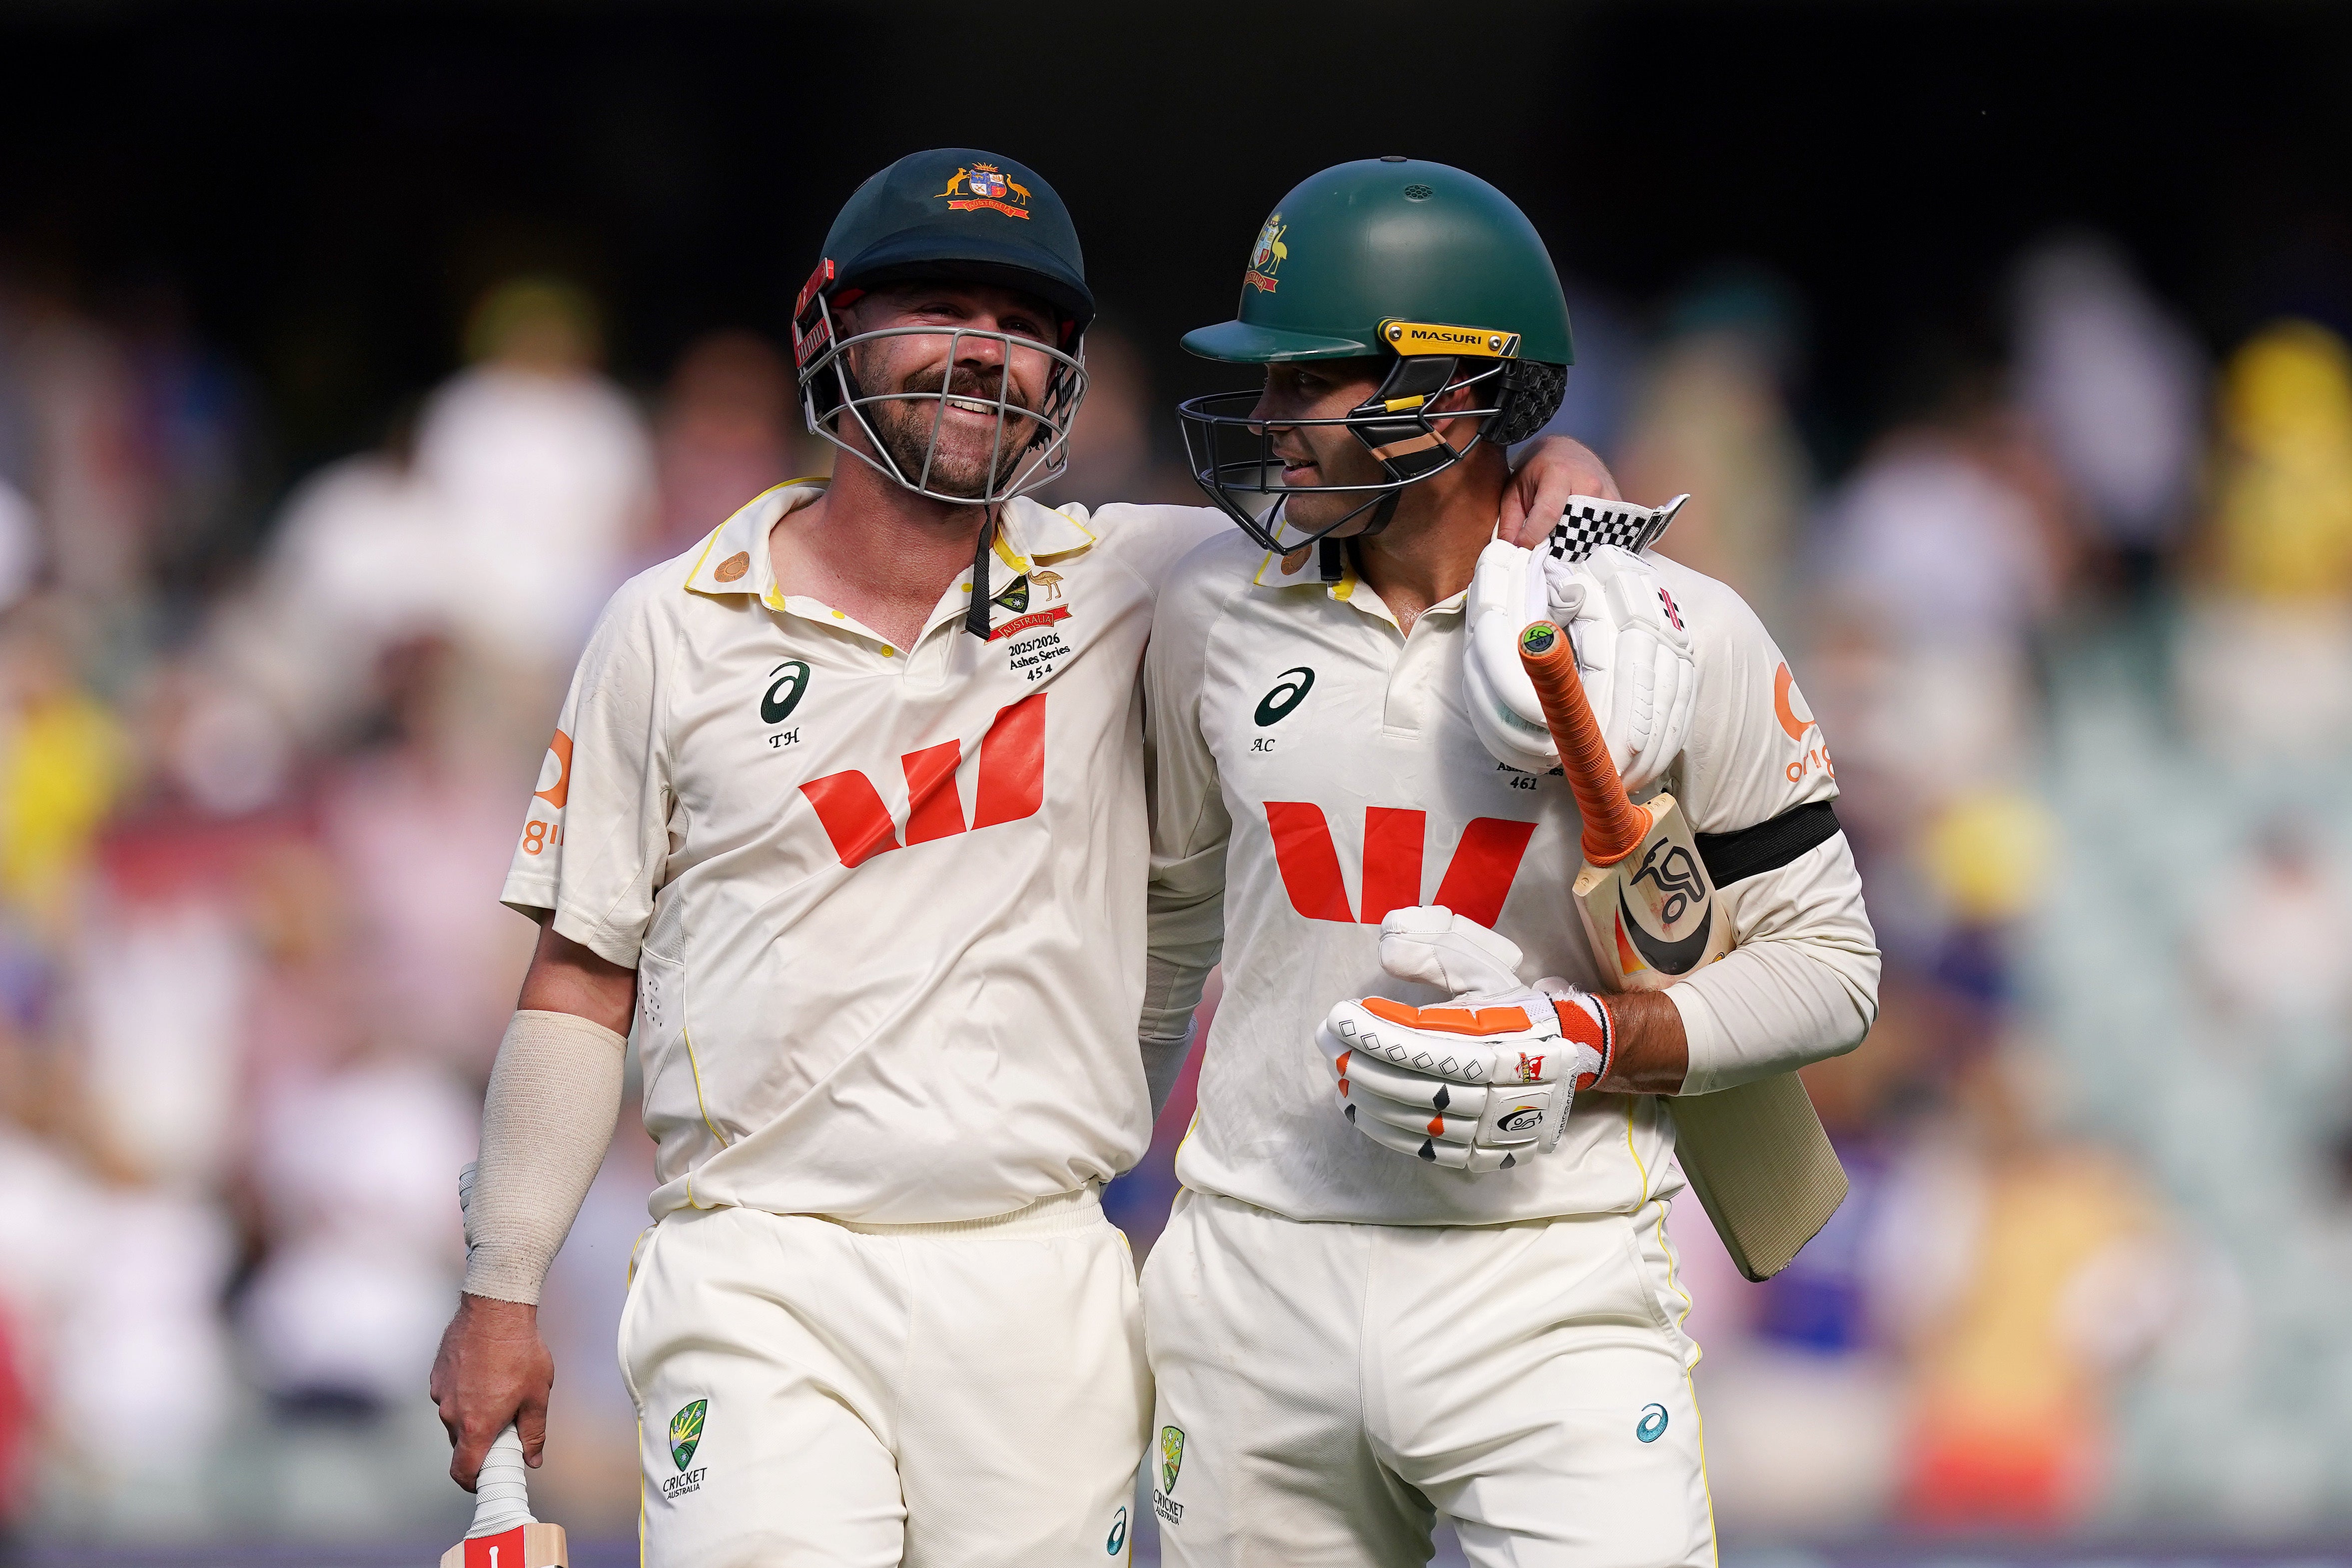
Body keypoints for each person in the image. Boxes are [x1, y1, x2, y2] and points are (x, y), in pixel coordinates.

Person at [425, 148, 1616, 1567]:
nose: (985, 353)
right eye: (939, 307)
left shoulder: (1147, 585)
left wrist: (1552, 464)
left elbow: (1412, 500)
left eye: (1025, 325)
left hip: (1042, 1274)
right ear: (823, 327)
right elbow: (581, 976)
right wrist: (501, 1288)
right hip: (758, 1256)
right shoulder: (669, 627)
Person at [1140, 157, 1881, 1567]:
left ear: (1452, 394)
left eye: (1310, 378)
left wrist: (1586, 1038)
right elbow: (1169, 919)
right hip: (1254, 1270)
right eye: (1265, 378)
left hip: (1550, 1282)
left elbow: (1831, 972)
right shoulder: (1198, 602)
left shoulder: (1675, 631)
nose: (1268, 418)